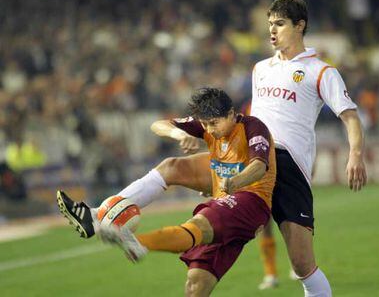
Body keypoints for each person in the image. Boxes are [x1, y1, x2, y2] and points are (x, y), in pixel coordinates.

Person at [58, 87, 276, 296]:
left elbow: (259, 166)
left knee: (198, 224)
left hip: (251, 202)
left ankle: (138, 243)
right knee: (196, 284)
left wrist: (235, 182)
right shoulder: (209, 126)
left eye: (214, 124)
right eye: (205, 125)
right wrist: (178, 135)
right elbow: (158, 125)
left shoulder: (253, 127)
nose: (209, 130)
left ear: (231, 114)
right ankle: (96, 215)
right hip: (226, 203)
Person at [251, 0, 367, 296]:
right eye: (270, 24)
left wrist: (355, 155)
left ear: (300, 25)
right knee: (216, 233)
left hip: (291, 168)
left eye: (280, 23)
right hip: (257, 161)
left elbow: (351, 118)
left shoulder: (321, 71)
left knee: (302, 264)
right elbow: (250, 123)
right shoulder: (260, 69)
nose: (272, 31)